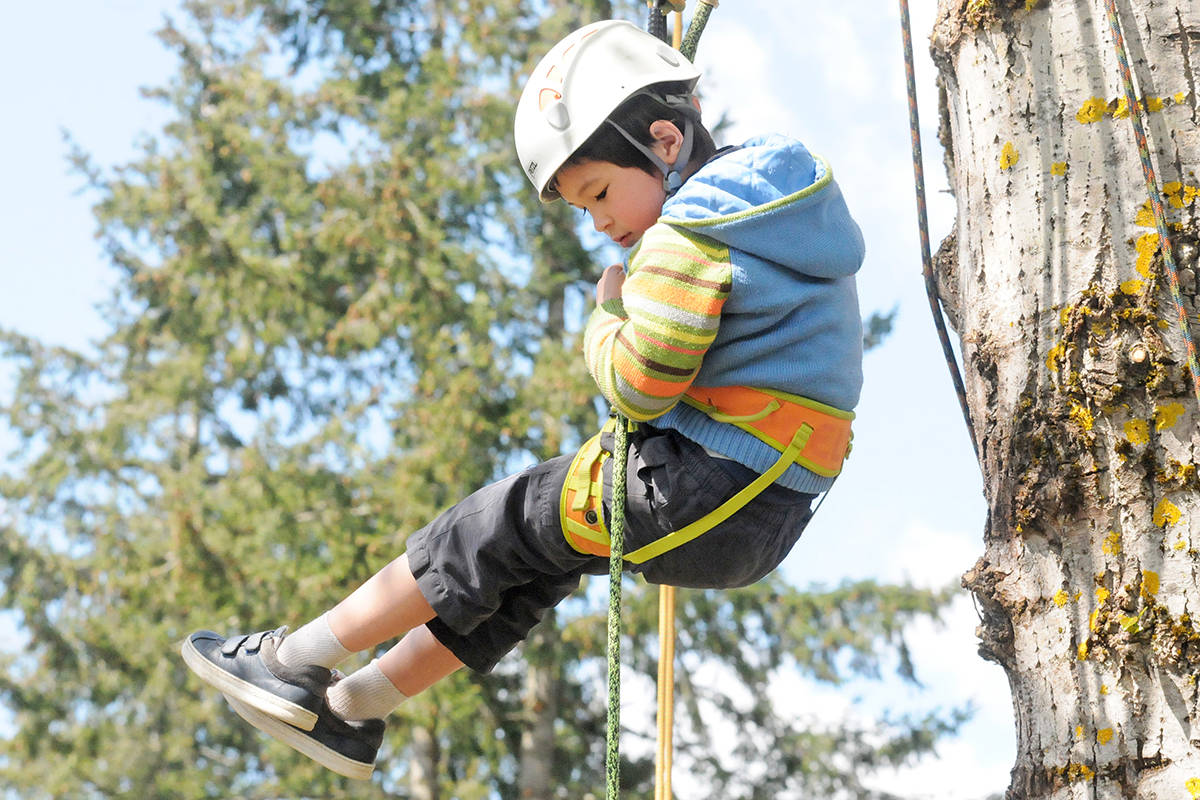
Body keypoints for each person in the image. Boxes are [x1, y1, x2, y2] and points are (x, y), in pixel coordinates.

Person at [181, 19, 864, 780]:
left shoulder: (692, 234)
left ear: (666, 144)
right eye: (582, 209)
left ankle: (297, 659)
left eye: (600, 193)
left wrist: (608, 316)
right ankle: (353, 710)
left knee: (498, 519)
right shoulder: (774, 213)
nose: (600, 223)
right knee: (533, 557)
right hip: (766, 505)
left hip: (705, 484)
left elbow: (640, 382)